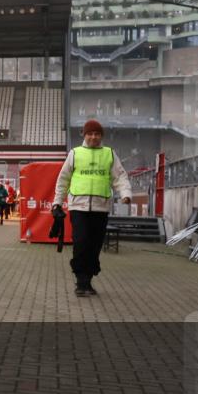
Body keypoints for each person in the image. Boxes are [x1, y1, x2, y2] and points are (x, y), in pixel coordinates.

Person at [53, 119, 132, 297]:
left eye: (97, 134)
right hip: (78, 208)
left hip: (101, 208)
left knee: (94, 246)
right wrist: (57, 203)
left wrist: (125, 193)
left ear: (101, 136)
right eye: (90, 134)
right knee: (81, 243)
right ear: (84, 135)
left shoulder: (109, 154)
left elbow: (120, 177)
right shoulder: (75, 153)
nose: (93, 137)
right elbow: (63, 180)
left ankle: (88, 281)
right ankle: (81, 282)